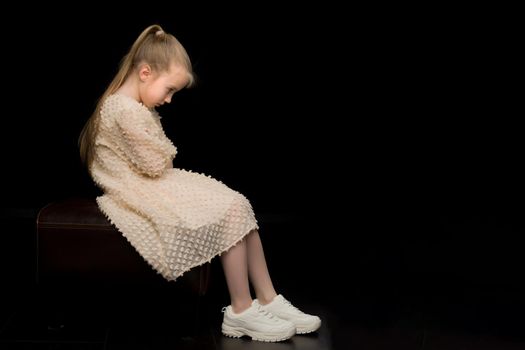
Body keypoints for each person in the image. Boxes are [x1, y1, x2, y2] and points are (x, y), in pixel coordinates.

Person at [78, 24, 320, 342]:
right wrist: (164, 151)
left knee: (239, 203)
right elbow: (155, 163)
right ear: (145, 72)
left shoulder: (127, 105)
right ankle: (241, 310)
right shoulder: (125, 111)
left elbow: (155, 159)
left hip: (149, 181)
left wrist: (161, 153)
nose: (169, 99)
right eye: (169, 90)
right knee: (230, 209)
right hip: (138, 188)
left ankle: (268, 298)